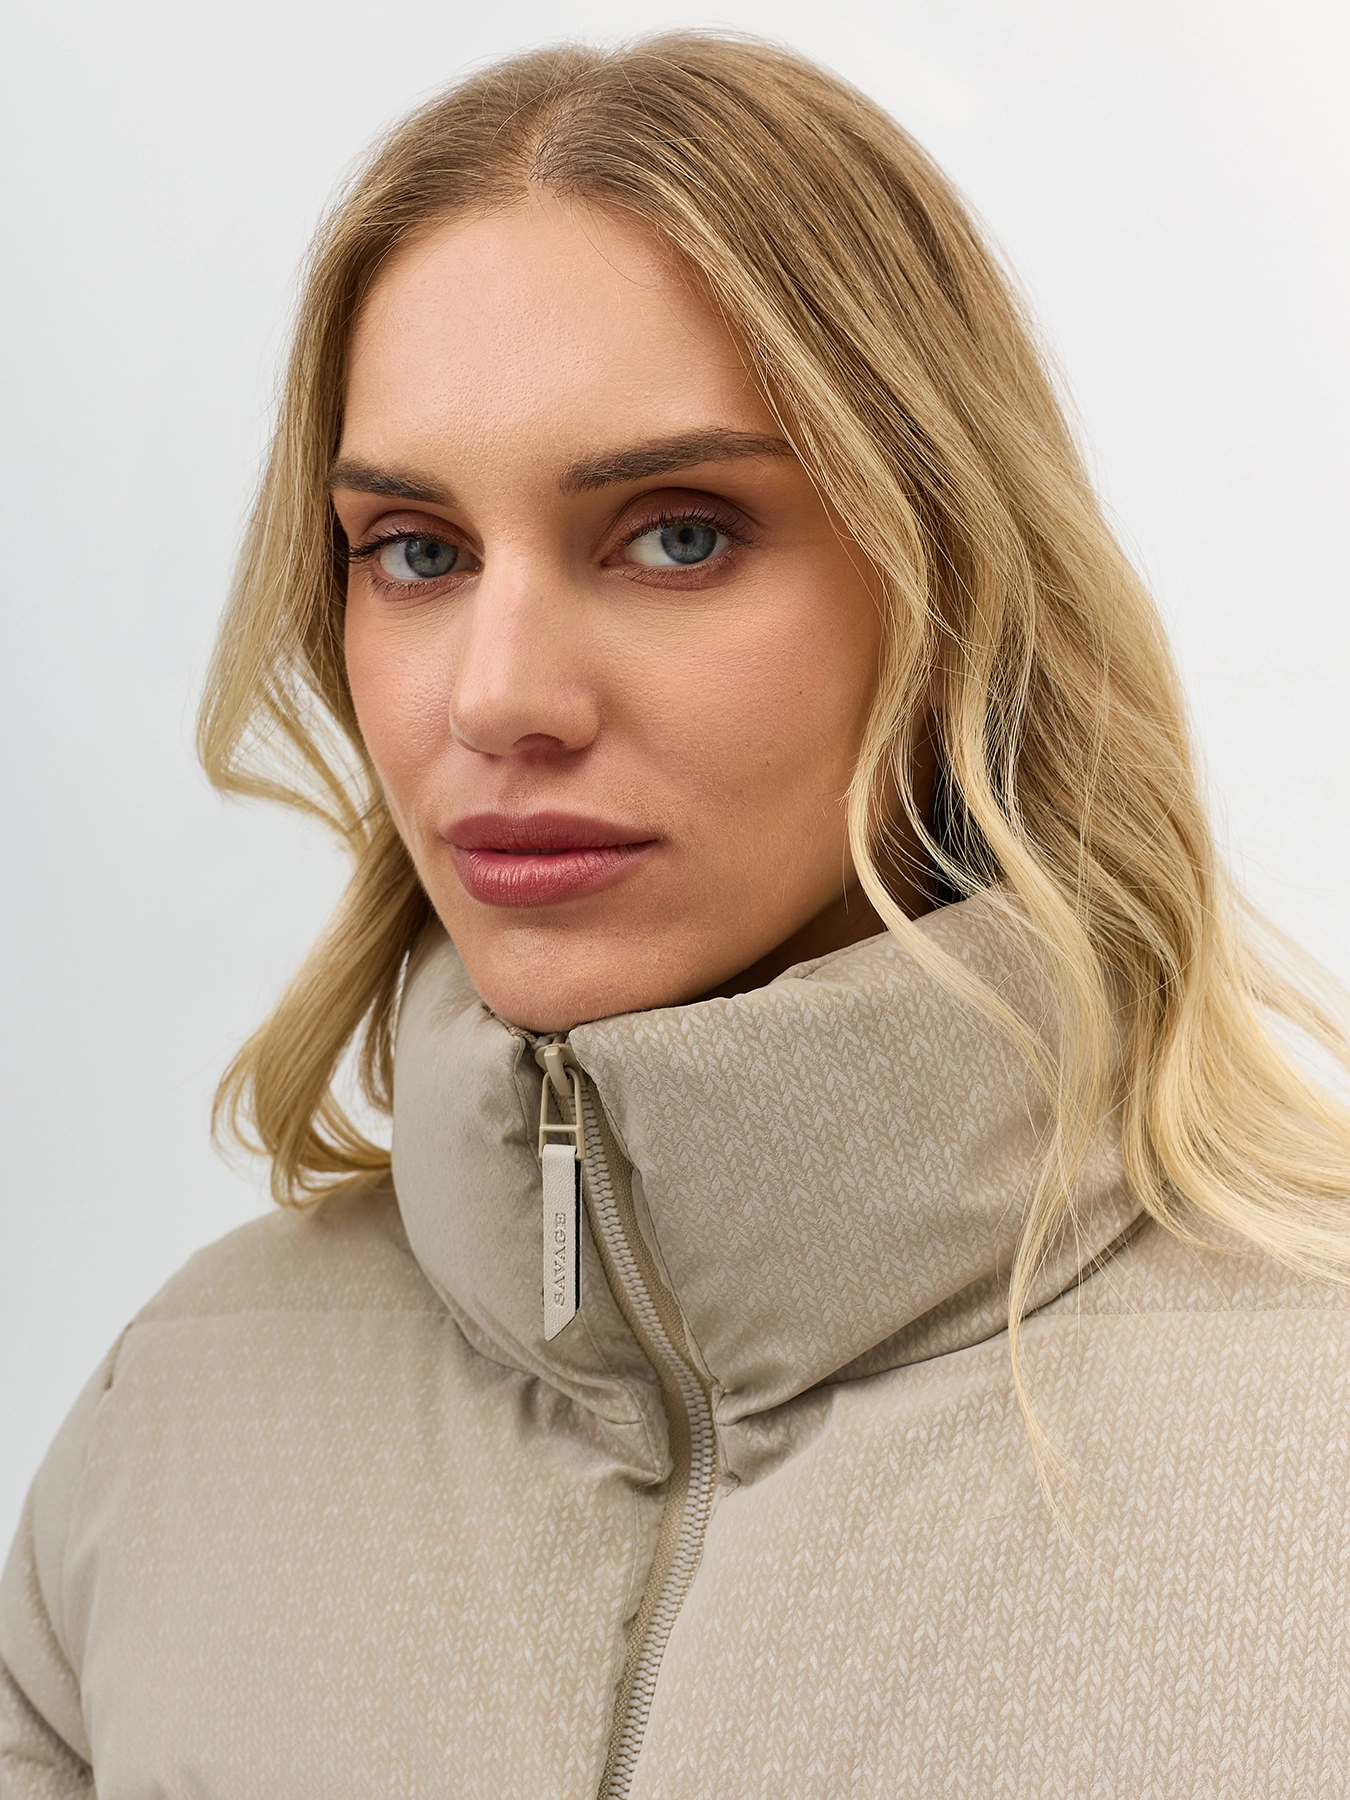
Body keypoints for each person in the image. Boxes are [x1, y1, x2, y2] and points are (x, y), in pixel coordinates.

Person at [3, 32, 1350, 1798]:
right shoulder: (175, 1425)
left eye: (678, 535)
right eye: (415, 550)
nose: (497, 697)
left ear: (952, 584)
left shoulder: (1311, 1424)